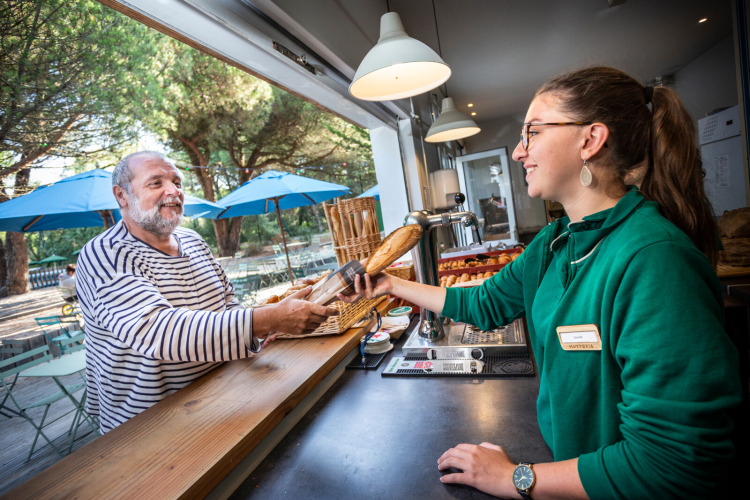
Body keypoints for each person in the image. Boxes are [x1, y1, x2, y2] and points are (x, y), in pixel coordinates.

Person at [341, 67, 742, 499]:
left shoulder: (655, 260)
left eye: (532, 132)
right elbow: (485, 302)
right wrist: (390, 286)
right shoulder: (557, 241)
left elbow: (671, 465)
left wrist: (514, 477)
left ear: (590, 140)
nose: (518, 152)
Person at [76, 151, 338, 434]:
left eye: (177, 182)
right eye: (156, 183)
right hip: (148, 427)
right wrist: (266, 320)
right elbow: (158, 332)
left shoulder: (194, 241)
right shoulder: (104, 253)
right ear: (122, 196)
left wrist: (260, 330)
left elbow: (227, 304)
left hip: (220, 401)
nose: (173, 191)